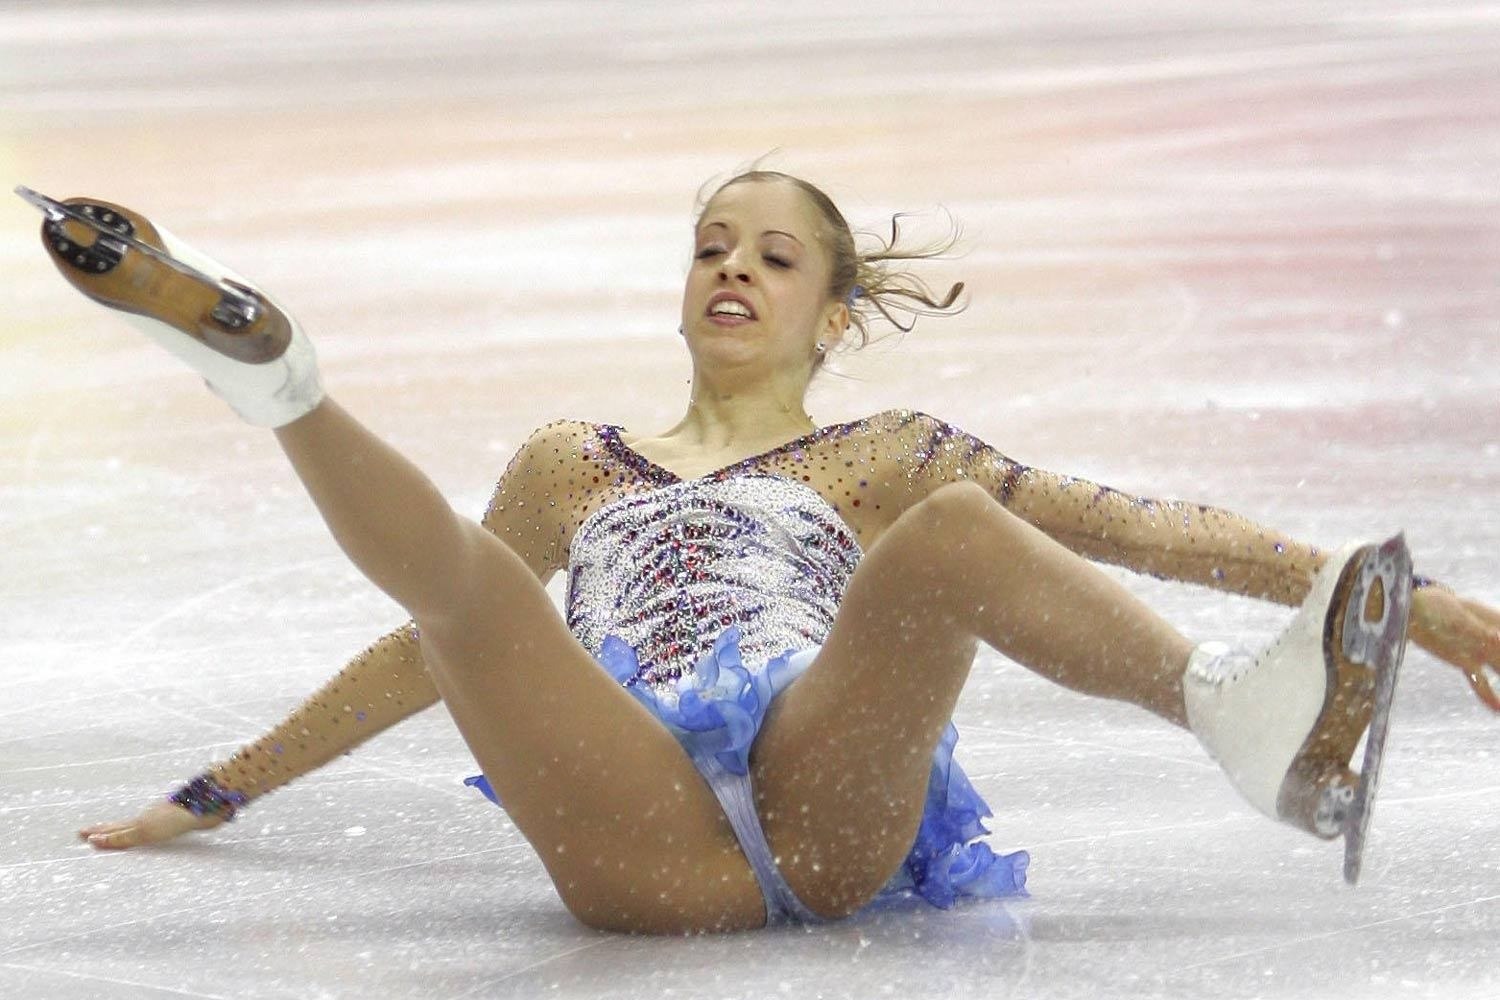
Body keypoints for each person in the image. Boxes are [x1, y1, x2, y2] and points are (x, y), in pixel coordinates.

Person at [27, 172, 1498, 935]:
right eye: (712, 245)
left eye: (776, 256)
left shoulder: (884, 454)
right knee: (472, 592)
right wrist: (218, 790)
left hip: (827, 806)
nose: (734, 264)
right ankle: (275, 377)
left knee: (957, 530)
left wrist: (1407, 604)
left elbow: (1134, 526)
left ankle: (1238, 719)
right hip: (635, 834)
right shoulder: (569, 463)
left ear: (833, 315)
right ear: (683, 290)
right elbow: (428, 651)